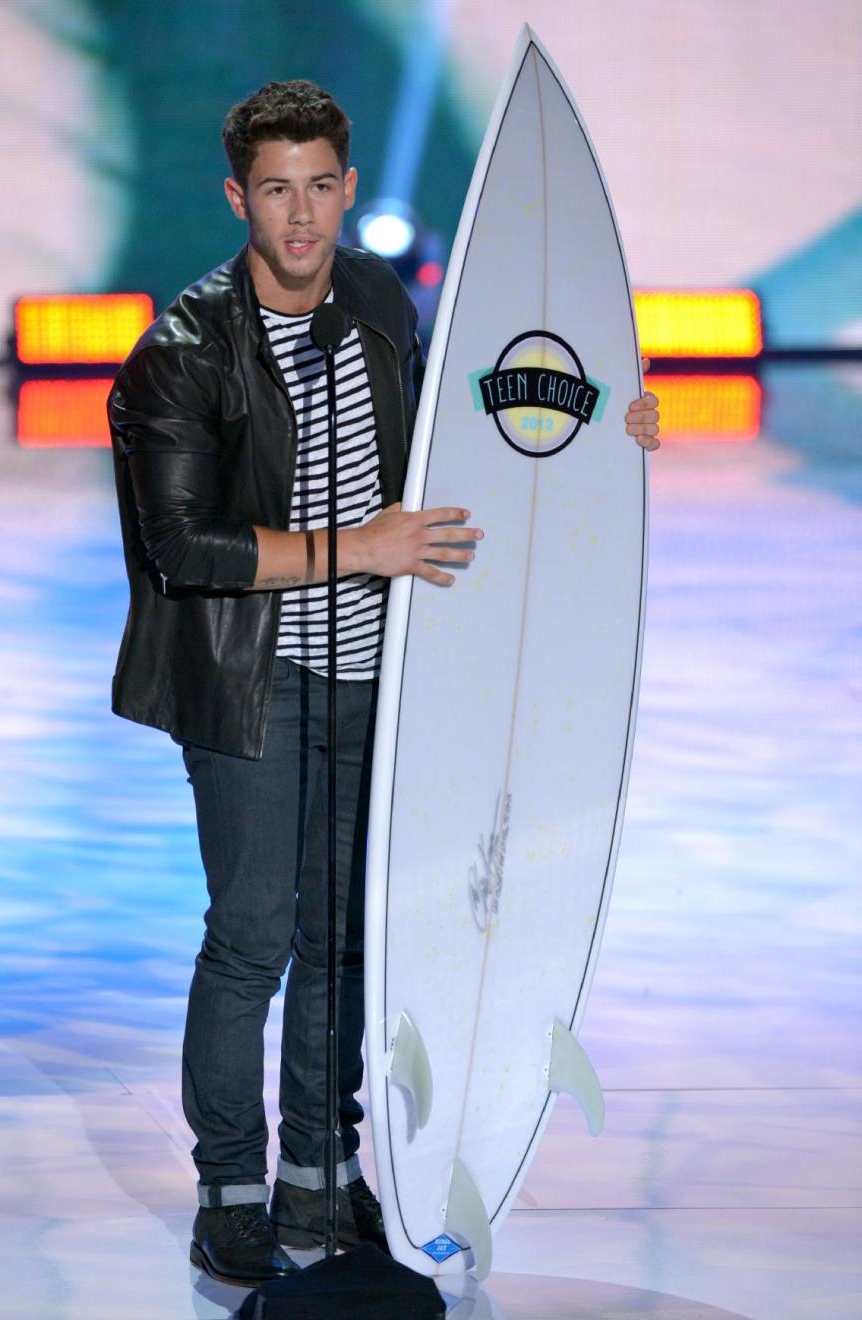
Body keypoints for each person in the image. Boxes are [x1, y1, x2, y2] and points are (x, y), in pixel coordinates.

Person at [108, 79, 660, 1287]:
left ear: (349, 190)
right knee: (252, 940)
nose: (300, 219)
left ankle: (323, 1172)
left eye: (320, 189)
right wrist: (358, 548)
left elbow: (470, 441)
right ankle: (235, 1187)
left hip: (386, 684)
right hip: (251, 686)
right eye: (274, 192)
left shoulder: (376, 300)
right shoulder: (179, 355)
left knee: (346, 944)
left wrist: (603, 434)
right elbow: (182, 549)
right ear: (236, 198)